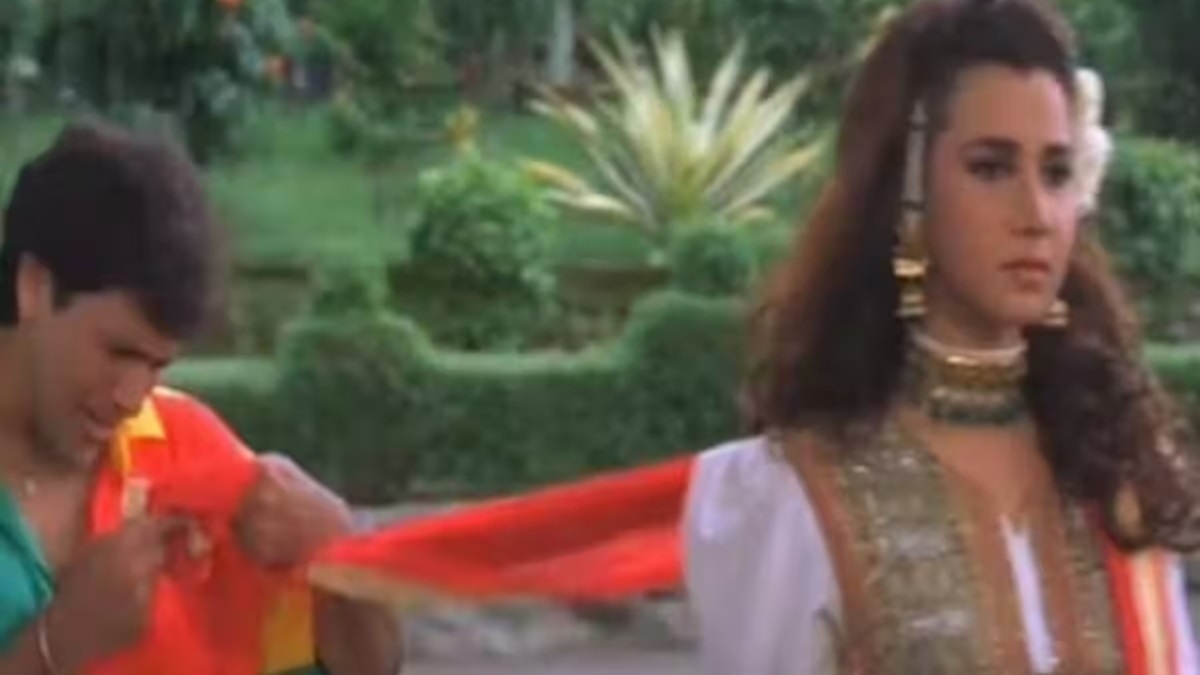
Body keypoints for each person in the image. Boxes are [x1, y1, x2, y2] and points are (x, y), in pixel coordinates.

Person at [683, 0, 1200, 672]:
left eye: (1056, 173)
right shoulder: (796, 497)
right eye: (990, 168)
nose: (1037, 214)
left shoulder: (1115, 470)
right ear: (906, 192)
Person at [0, 122, 403, 674]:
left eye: (157, 365)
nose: (132, 399)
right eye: (117, 351)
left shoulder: (184, 446)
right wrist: (57, 643)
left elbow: (371, 668)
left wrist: (341, 553)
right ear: (36, 287)